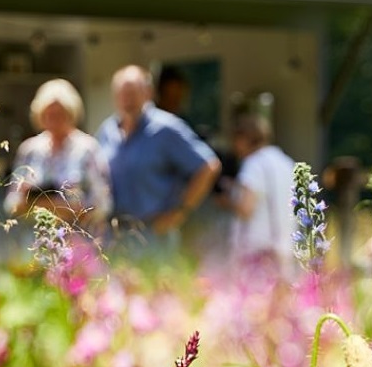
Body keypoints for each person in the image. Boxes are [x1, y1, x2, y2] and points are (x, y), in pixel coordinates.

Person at [96, 65, 220, 247]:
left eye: (132, 93)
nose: (126, 99)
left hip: (154, 236)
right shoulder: (107, 130)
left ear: (148, 93)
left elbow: (209, 166)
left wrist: (180, 212)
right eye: (122, 93)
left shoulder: (166, 128)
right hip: (115, 235)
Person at [5, 79, 111, 228]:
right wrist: (30, 197)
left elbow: (103, 204)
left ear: (71, 114)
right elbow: (11, 203)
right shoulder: (29, 150)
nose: (54, 120)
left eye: (60, 114)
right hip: (35, 238)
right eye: (49, 115)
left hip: (78, 237)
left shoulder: (87, 148)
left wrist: (58, 206)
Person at [222, 113, 296, 265]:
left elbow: (246, 207)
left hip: (256, 249)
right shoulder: (285, 162)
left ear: (244, 139)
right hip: (284, 246)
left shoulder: (253, 163)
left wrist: (226, 200)